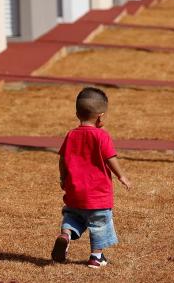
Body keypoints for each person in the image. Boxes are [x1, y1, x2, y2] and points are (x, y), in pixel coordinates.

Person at [50, 87, 131, 269]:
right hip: (98, 196)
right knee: (99, 224)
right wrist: (122, 176)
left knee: (72, 216)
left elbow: (62, 159)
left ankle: (66, 235)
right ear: (100, 117)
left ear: (77, 113)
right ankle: (96, 257)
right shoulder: (102, 136)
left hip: (74, 192)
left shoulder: (71, 135)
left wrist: (63, 177)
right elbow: (110, 159)